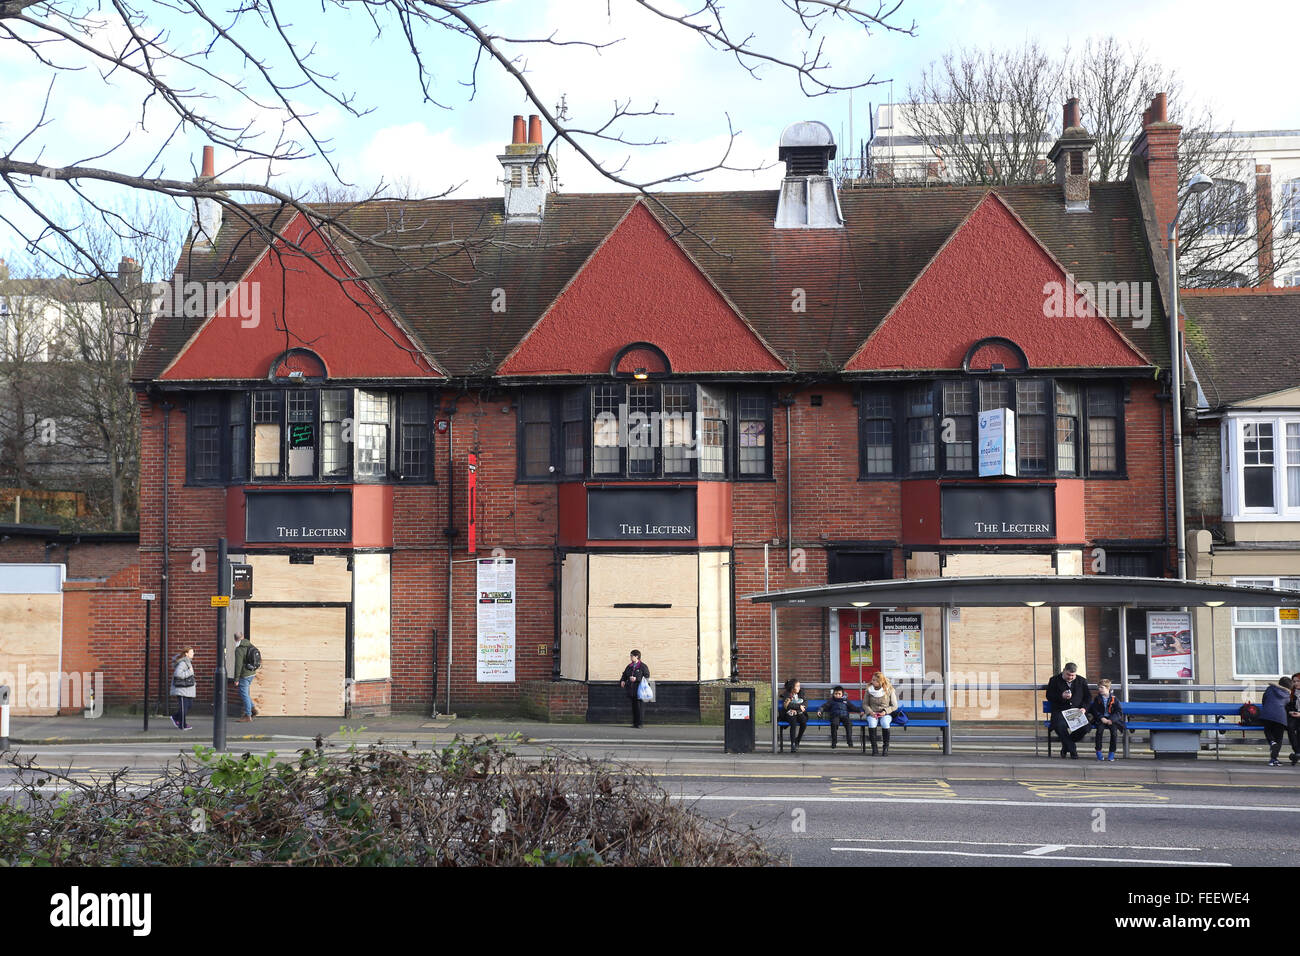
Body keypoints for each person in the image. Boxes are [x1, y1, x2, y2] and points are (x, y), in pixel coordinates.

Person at [1045, 663, 1092, 759]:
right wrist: (1061, 696)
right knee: (1059, 726)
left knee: (1085, 728)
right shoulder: (1054, 680)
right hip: (1060, 711)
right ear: (1064, 671)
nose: (1071, 677)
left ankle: (1066, 746)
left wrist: (1084, 708)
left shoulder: (1081, 681)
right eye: (1068, 675)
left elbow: (1088, 697)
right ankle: (1072, 749)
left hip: (1077, 711)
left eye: (1073, 675)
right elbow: (1049, 696)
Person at [1087, 677, 1125, 761]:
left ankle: (1111, 753)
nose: (1099, 689)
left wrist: (1111, 720)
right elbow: (1095, 710)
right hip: (1101, 719)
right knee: (1099, 732)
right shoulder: (1097, 699)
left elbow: (1118, 712)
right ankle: (1098, 751)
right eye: (1099, 688)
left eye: (1102, 687)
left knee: (1114, 733)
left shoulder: (1114, 699)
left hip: (1112, 720)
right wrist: (1101, 718)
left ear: (1108, 688)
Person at [1261, 676, 1293, 767]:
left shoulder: (1270, 689)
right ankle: (1273, 759)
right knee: (1278, 739)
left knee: (1267, 730)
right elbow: (1287, 706)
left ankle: (1271, 742)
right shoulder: (1287, 695)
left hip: (1267, 715)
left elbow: (1264, 701)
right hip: (1280, 717)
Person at [816, 685, 862, 750]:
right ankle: (834, 741)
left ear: (842, 694)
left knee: (849, 724)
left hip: (844, 716)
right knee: (834, 724)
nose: (837, 695)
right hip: (835, 716)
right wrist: (820, 710)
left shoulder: (846, 701)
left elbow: (853, 707)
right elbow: (824, 706)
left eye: (839, 694)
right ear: (833, 694)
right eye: (836, 694)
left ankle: (849, 741)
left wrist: (860, 711)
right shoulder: (831, 701)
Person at [864, 671, 898, 756]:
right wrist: (870, 712)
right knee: (872, 723)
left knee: (885, 723)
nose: (872, 682)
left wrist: (885, 712)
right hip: (872, 713)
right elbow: (865, 704)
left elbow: (894, 706)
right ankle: (874, 748)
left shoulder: (889, 690)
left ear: (880, 682)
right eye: (872, 679)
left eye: (875, 680)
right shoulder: (869, 690)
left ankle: (885, 748)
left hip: (885, 713)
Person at [231, 632, 259, 722]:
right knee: (245, 693)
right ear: (243, 636)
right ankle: (253, 709)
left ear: (235, 639)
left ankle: (248, 715)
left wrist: (236, 679)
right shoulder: (250, 644)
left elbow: (238, 665)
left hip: (245, 675)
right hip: (252, 672)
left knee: (244, 694)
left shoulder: (239, 649)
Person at [619, 650, 650, 729]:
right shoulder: (629, 666)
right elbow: (624, 674)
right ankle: (635, 723)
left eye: (632, 656)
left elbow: (647, 677)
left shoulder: (643, 666)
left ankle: (640, 723)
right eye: (630, 656)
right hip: (632, 690)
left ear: (637, 656)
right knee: (634, 707)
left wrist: (637, 678)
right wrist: (622, 680)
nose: (630, 657)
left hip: (640, 690)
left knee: (640, 707)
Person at [169, 646, 197, 730]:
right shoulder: (183, 663)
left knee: (189, 705)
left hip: (187, 689)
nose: (193, 653)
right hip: (181, 689)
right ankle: (182, 724)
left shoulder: (188, 662)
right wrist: (190, 672)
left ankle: (175, 717)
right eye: (191, 652)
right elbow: (178, 674)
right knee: (184, 707)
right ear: (186, 654)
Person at [780, 678, 809, 752]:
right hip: (789, 713)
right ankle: (792, 744)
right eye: (797, 686)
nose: (799, 688)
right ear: (792, 688)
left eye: (799, 686)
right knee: (793, 724)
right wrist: (798, 706)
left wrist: (797, 710)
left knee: (804, 722)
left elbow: (805, 703)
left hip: (798, 713)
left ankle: (797, 740)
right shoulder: (787, 694)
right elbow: (787, 705)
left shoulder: (801, 693)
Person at [1287, 672, 1300, 767]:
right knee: (1290, 728)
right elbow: (1287, 706)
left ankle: (1297, 754)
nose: (1296, 683)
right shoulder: (1291, 692)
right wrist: (1290, 712)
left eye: (1298, 681)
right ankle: (1297, 751)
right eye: (1294, 681)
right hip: (1294, 716)